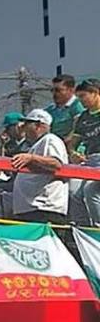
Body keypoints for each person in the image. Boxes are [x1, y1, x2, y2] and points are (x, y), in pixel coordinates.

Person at [12, 108, 69, 224]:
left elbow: (56, 164)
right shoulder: (37, 144)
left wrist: (31, 158)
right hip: (32, 210)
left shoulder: (50, 139)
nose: (23, 127)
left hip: (44, 209)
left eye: (27, 124)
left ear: (38, 125)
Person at [67, 78, 100, 226]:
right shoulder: (82, 118)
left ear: (95, 93)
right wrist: (73, 153)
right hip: (88, 160)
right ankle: (83, 229)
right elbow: (73, 143)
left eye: (83, 96)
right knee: (73, 191)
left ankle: (98, 227)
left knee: (90, 190)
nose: (81, 101)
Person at [46, 73, 83, 140]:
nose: (54, 93)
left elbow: (77, 130)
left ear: (71, 90)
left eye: (58, 90)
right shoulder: (50, 109)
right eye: (52, 90)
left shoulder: (77, 106)